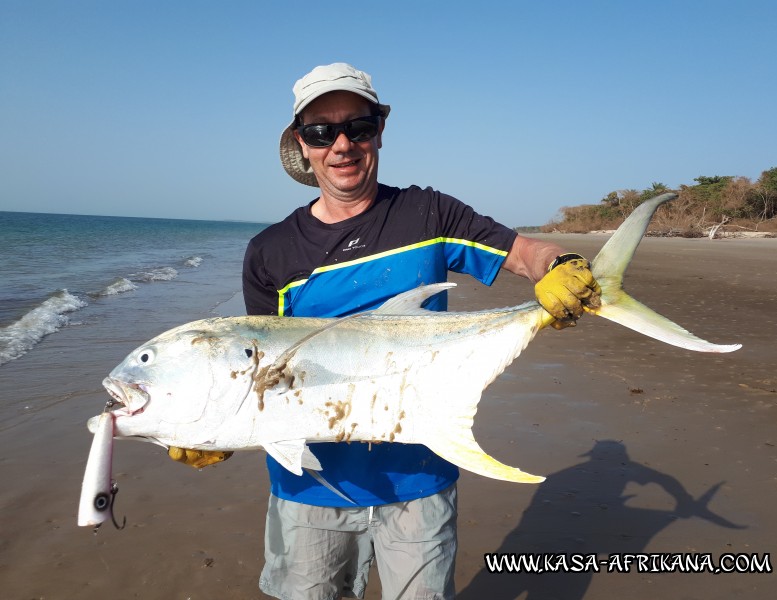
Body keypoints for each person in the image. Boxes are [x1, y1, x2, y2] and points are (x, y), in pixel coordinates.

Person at [176, 63, 601, 599]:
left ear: (380, 130)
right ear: (302, 146)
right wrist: (215, 430)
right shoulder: (270, 251)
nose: (342, 145)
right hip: (309, 488)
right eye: (321, 131)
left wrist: (559, 262)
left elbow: (524, 253)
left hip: (419, 477)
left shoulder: (429, 213)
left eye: (359, 125)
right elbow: (262, 373)